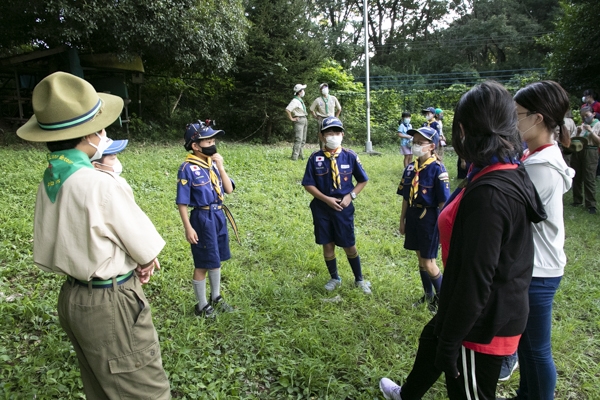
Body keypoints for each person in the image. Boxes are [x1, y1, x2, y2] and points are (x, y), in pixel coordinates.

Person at [380, 81, 546, 400]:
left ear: (467, 128)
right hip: (469, 306)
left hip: (480, 323)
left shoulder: (491, 193)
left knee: (466, 389)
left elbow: (477, 278)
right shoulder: (498, 169)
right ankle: (407, 393)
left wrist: (452, 340)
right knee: (431, 340)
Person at [16, 71, 171, 399]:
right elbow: (145, 245)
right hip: (109, 304)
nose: (104, 134)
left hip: (74, 298)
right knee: (145, 390)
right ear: (88, 137)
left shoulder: (53, 176)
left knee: (101, 386)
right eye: (100, 129)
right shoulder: (98, 183)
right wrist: (144, 259)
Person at [507, 80, 575, 400]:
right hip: (539, 265)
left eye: (517, 114)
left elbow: (511, 217)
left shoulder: (540, 168)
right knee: (529, 346)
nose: (513, 120)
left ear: (537, 119)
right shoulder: (542, 153)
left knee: (535, 351)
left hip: (538, 271)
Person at [301, 116, 371, 294]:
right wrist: (326, 199)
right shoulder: (315, 158)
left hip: (343, 208)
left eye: (336, 132)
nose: (333, 135)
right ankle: (334, 277)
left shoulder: (350, 156)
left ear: (342, 135)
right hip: (322, 208)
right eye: (329, 133)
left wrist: (351, 196)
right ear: (321, 136)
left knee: (349, 244)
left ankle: (359, 279)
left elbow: (363, 180)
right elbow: (308, 184)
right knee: (327, 244)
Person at [177, 120, 235, 318]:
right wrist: (188, 227)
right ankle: (201, 305)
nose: (213, 144)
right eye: (208, 141)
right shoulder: (187, 168)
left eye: (213, 140)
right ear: (195, 146)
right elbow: (182, 202)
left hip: (218, 215)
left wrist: (220, 165)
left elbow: (228, 189)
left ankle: (216, 297)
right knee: (202, 262)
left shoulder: (212, 164)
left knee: (216, 258)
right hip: (202, 218)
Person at [397, 126, 450, 313]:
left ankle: (444, 300)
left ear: (432, 146)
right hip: (413, 215)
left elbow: (444, 203)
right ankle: (428, 295)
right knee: (420, 260)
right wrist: (402, 219)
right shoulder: (410, 168)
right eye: (415, 142)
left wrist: (444, 228)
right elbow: (405, 196)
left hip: (429, 218)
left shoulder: (438, 169)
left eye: (421, 143)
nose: (416, 146)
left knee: (429, 261)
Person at [570, 106, 600, 214]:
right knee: (576, 176)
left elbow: (598, 142)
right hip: (578, 150)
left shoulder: (598, 124)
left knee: (589, 177)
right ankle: (577, 200)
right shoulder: (581, 125)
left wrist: (591, 131)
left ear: (593, 114)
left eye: (586, 115)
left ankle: (591, 204)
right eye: (583, 116)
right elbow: (572, 141)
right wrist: (578, 133)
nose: (584, 118)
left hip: (590, 151)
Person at [285, 84, 309, 161]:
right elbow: (288, 109)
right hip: (299, 120)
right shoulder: (295, 100)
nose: (304, 91)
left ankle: (300, 155)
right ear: (299, 92)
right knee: (298, 139)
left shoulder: (299, 100)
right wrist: (291, 118)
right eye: (302, 90)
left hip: (304, 119)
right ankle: (294, 157)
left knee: (303, 139)